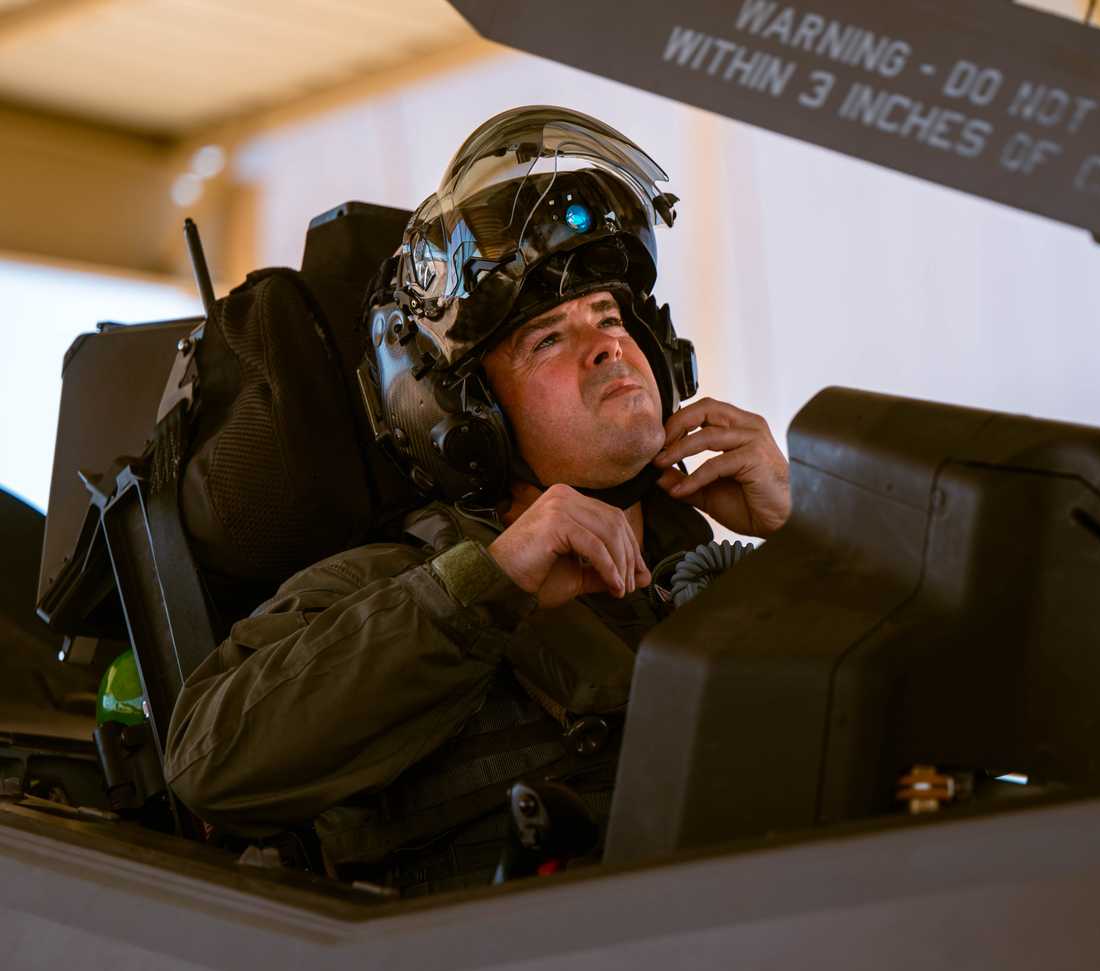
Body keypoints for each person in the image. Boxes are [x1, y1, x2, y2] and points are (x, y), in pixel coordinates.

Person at [163, 106, 791, 895]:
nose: (608, 343)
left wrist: (811, 538)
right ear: (467, 418)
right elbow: (207, 760)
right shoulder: (387, 585)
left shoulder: (722, 576)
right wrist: (488, 584)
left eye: (608, 314)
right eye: (549, 338)